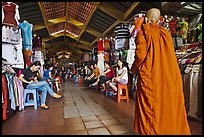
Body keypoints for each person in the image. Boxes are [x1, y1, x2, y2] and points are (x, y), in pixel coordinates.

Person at [130, 8, 190, 135]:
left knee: (152, 108)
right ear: (159, 20)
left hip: (151, 77)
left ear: (146, 19)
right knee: (167, 106)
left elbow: (140, 56)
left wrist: (134, 69)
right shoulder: (166, 33)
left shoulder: (144, 32)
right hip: (168, 75)